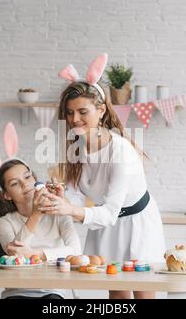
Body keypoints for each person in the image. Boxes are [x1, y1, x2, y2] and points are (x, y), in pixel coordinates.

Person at [39, 53, 166, 299]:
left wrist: (68, 209)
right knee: (117, 295)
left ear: (101, 111)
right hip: (107, 224)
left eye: (82, 111)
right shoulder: (76, 148)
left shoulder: (120, 151)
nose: (74, 119)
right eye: (69, 112)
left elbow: (108, 212)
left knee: (143, 292)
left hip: (136, 223)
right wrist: (62, 198)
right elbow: (76, 199)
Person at [0, 122, 81, 299]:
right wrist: (36, 214)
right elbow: (14, 253)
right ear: (6, 195)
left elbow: (75, 250)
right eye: (14, 183)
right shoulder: (4, 222)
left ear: (35, 179)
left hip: (52, 292)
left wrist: (37, 254)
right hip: (17, 293)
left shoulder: (58, 214)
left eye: (27, 177)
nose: (25, 184)